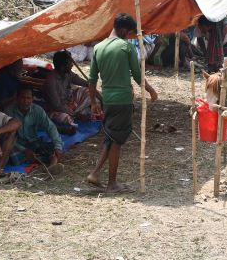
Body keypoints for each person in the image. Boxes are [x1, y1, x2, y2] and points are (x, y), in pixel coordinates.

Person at [87, 13, 156, 192]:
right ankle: (111, 183)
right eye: (130, 34)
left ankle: (94, 173)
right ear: (124, 30)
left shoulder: (98, 48)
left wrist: (93, 101)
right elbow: (138, 75)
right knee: (116, 141)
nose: (130, 37)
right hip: (123, 100)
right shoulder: (125, 47)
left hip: (107, 100)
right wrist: (151, 91)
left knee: (111, 136)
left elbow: (92, 78)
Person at [5, 87, 64, 175]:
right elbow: (5, 136)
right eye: (22, 98)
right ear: (17, 98)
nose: (25, 101)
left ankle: (51, 165)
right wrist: (24, 150)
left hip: (33, 142)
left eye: (28, 98)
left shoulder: (37, 110)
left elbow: (50, 127)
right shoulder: (8, 111)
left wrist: (57, 147)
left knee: (53, 149)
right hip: (16, 144)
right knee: (10, 153)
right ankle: (41, 159)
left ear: (33, 99)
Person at [43, 50, 90, 133]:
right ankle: (77, 114)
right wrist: (77, 115)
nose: (72, 65)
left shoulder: (68, 73)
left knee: (88, 92)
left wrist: (90, 84)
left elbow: (82, 82)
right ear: (62, 67)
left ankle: (77, 113)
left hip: (68, 103)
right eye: (69, 64)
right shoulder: (51, 81)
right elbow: (57, 106)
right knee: (65, 117)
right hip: (55, 109)